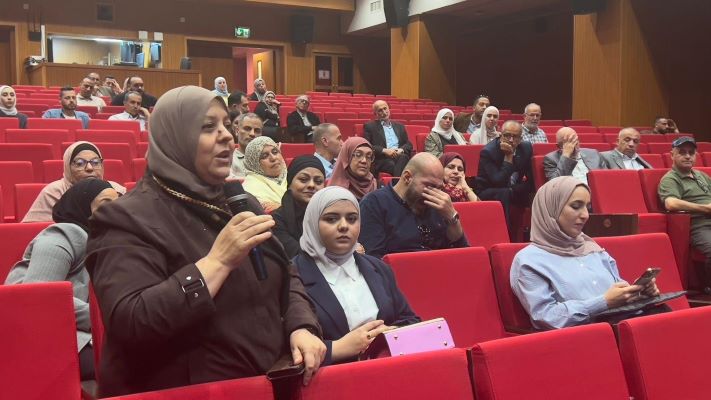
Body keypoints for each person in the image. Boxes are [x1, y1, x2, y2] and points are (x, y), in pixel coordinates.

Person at [86, 86, 324, 397]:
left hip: (266, 383)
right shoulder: (124, 218)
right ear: (175, 137)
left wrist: (301, 326)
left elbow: (286, 273)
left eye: (226, 124)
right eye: (209, 127)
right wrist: (216, 262)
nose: (226, 135)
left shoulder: (240, 200)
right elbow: (132, 321)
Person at [510, 176, 660, 330]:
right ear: (551, 210)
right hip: (587, 337)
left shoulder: (593, 249)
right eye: (576, 206)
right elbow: (547, 317)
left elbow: (618, 292)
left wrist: (638, 294)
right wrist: (603, 302)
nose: (585, 215)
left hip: (628, 325)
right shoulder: (529, 260)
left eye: (587, 208)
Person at [6, 178, 119, 380]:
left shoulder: (107, 242)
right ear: (83, 207)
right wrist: (106, 317)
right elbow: (40, 297)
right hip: (38, 333)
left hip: (79, 330)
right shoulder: (64, 235)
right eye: (106, 204)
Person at [294, 186, 420, 364]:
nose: (344, 226)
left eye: (352, 219)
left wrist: (389, 334)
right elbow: (285, 349)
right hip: (329, 375)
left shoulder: (377, 267)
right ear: (313, 223)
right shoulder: (293, 275)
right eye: (331, 219)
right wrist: (338, 348)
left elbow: (410, 320)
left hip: (387, 367)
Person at [359, 153, 468, 258]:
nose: (434, 193)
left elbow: (463, 256)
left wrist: (452, 218)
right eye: (429, 186)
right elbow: (373, 261)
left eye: (439, 188)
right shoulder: (374, 204)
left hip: (441, 268)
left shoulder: (437, 205)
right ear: (407, 177)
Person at [23, 141, 126, 222]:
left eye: (95, 162)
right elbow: (33, 231)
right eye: (80, 163)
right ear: (68, 167)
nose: (89, 168)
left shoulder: (116, 190)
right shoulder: (54, 192)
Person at [658, 137, 711, 292]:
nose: (688, 156)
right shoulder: (670, 179)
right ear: (672, 155)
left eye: (691, 153)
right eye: (682, 152)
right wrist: (706, 208)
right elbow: (671, 203)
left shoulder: (701, 176)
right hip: (698, 226)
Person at [474, 120, 534, 231]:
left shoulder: (526, 148)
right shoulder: (489, 152)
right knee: (505, 193)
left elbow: (531, 180)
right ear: (500, 135)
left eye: (515, 137)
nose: (511, 140)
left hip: (513, 188)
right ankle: (504, 231)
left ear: (521, 139)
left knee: (535, 190)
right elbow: (498, 181)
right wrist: (508, 157)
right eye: (507, 135)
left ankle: (531, 231)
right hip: (488, 191)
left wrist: (515, 189)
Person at [273, 155, 326, 259]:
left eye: (318, 181)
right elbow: (298, 256)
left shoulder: (330, 214)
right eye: (303, 179)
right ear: (290, 183)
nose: (311, 185)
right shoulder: (277, 220)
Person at [363, 100, 412, 177]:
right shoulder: (370, 126)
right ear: (375, 114)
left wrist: (401, 150)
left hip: (399, 155)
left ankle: (395, 182)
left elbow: (408, 144)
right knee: (393, 164)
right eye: (380, 110)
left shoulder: (400, 126)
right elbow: (367, 145)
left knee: (403, 158)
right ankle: (398, 182)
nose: (384, 112)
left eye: (385, 108)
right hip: (382, 159)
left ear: (389, 109)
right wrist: (384, 150)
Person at [543, 127, 608, 184]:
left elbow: (607, 177)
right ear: (559, 146)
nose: (573, 145)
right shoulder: (551, 159)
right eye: (567, 142)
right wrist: (566, 156)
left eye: (574, 140)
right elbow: (555, 184)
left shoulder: (593, 153)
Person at [242, 136, 288, 213]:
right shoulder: (250, 190)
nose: (273, 158)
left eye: (275, 152)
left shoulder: (294, 177)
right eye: (264, 156)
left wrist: (281, 207)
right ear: (255, 164)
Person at [328, 137, 378, 201]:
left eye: (369, 156)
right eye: (358, 155)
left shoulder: (377, 185)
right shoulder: (335, 192)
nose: (364, 161)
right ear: (347, 157)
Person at [229, 112, 263, 179]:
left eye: (257, 131)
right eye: (247, 129)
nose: (252, 134)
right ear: (237, 131)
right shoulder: (229, 159)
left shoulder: (268, 158)